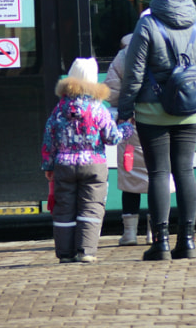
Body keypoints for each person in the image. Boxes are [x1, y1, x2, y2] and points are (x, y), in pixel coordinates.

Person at [112, 0, 196, 261]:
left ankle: (161, 244)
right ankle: (189, 242)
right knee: (185, 171)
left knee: (158, 172)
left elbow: (133, 74)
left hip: (152, 111)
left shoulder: (147, 24)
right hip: (190, 112)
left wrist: (126, 110)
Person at [42, 57, 131, 263]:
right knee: (91, 206)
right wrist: (127, 128)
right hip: (94, 165)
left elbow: (49, 138)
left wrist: (48, 165)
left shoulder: (59, 109)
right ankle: (85, 251)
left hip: (63, 165)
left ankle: (65, 254)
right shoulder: (98, 109)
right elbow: (111, 137)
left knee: (64, 209)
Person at [104, 33, 151, 246]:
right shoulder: (167, 49)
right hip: (159, 124)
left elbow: (111, 93)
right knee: (157, 176)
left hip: (130, 126)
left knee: (130, 176)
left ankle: (130, 234)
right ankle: (156, 232)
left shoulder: (124, 55)